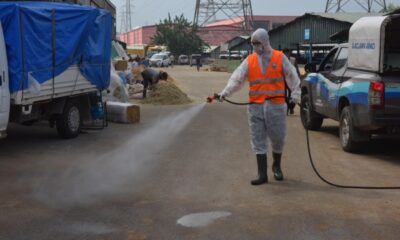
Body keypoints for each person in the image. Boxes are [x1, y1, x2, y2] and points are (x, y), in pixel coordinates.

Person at [218, 28, 301, 186]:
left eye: (257, 43)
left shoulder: (279, 57)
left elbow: (292, 76)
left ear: (264, 42)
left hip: (275, 106)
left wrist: (295, 96)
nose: (255, 46)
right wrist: (225, 93)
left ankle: (276, 166)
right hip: (256, 106)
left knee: (278, 139)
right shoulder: (250, 60)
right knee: (257, 139)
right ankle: (262, 174)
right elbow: (237, 79)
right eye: (253, 44)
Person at [283, 48, 301, 115]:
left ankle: (291, 108)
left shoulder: (293, 60)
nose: (286, 54)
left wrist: (299, 78)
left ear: (289, 53)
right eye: (285, 53)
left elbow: (297, 69)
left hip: (291, 80)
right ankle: (287, 108)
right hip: (283, 80)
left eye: (287, 53)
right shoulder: (280, 60)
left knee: (293, 95)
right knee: (283, 95)